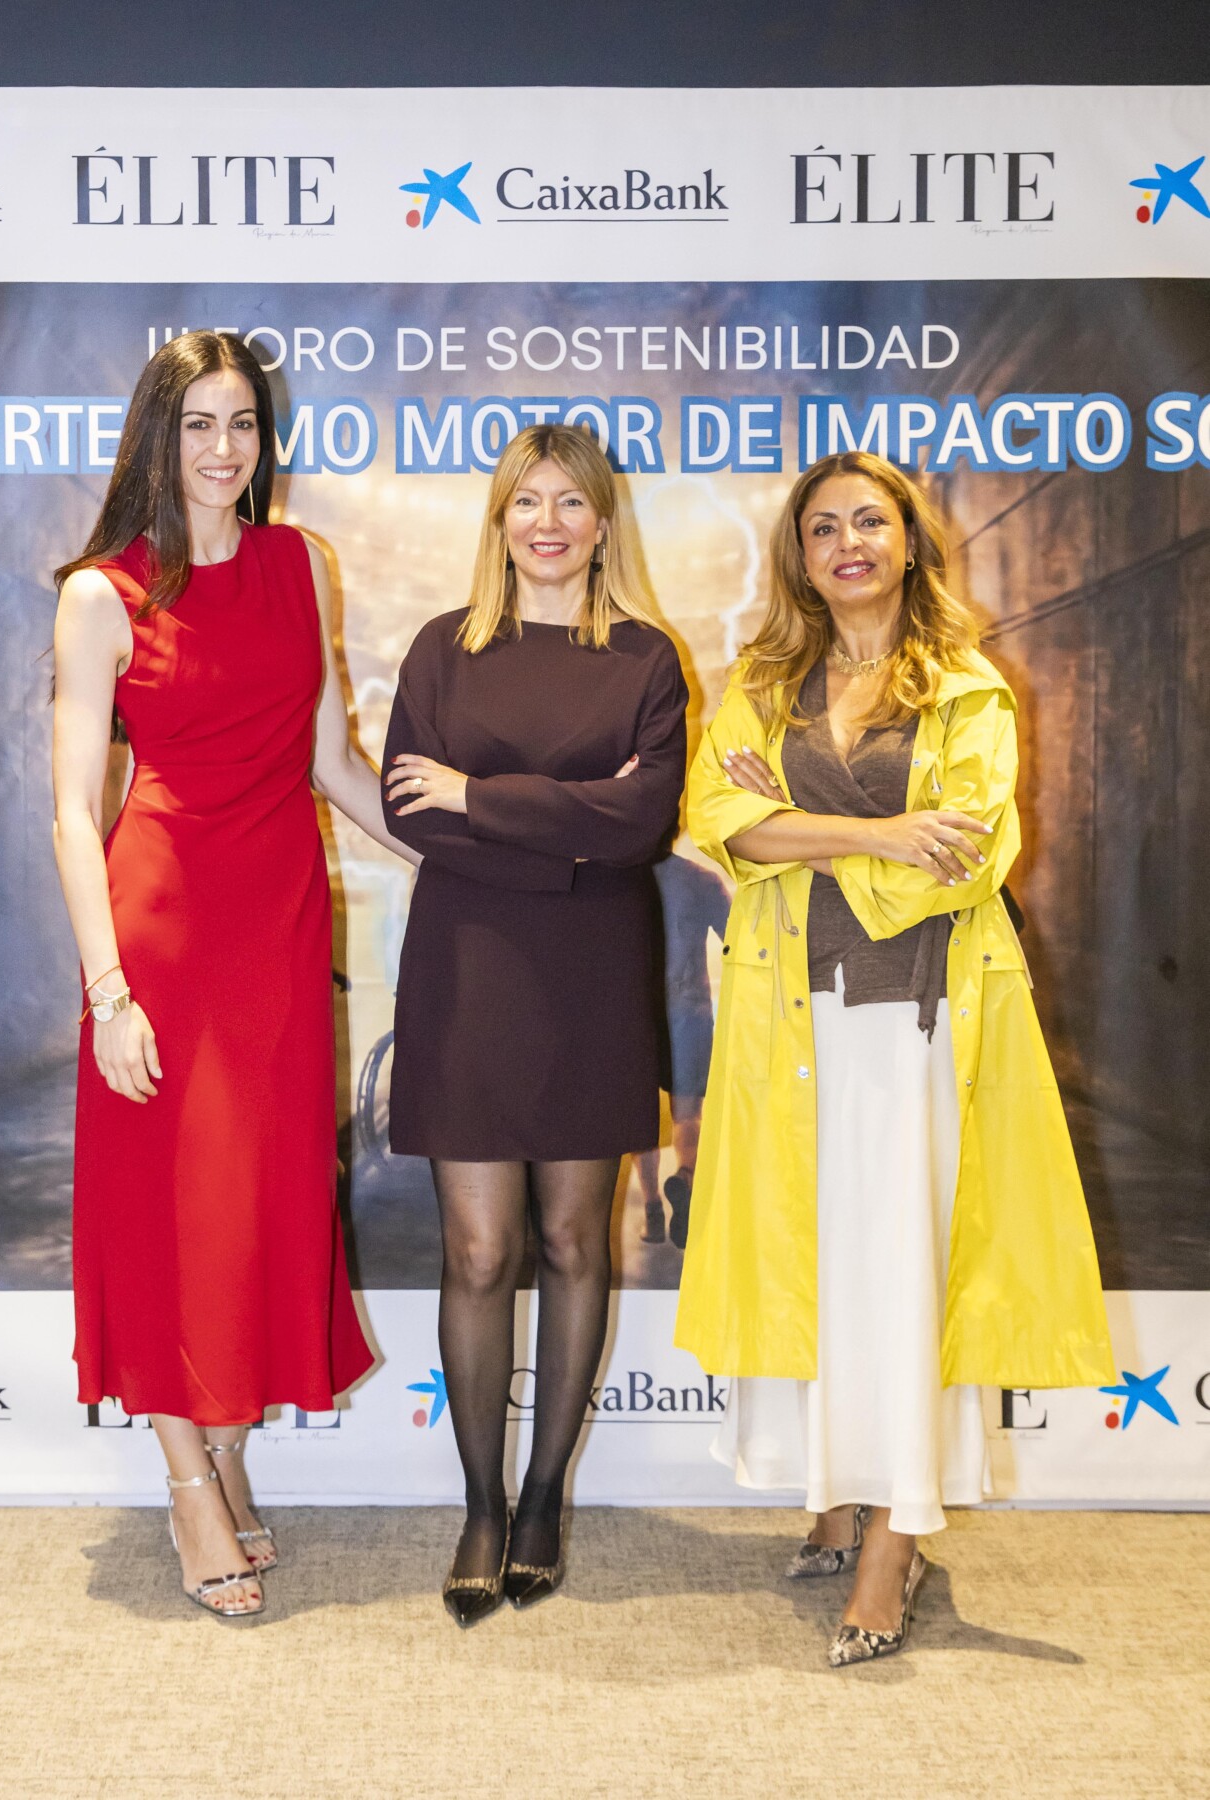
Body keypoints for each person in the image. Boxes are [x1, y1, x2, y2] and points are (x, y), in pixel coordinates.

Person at [674, 451, 1113, 1666]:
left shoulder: (967, 689)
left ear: (910, 542)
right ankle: (837, 1491)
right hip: (793, 1019)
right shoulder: (765, 681)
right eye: (823, 528)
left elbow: (963, 857)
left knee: (903, 1269)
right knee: (823, 1266)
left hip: (918, 1027)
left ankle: (894, 1536)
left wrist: (798, 829)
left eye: (870, 522)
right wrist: (877, 830)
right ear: (799, 556)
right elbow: (719, 821)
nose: (848, 544)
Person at [52, 330, 411, 1618]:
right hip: (159, 930)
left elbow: (332, 762)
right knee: (169, 1205)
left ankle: (227, 1443)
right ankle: (186, 1476)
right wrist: (108, 992)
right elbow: (71, 809)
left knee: (254, 1202)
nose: (223, 448)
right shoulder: (101, 594)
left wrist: (474, 850)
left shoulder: (299, 565)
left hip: (279, 925)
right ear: (159, 435)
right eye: (198, 423)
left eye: (243, 423)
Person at [382, 423, 687, 1625]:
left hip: (591, 981)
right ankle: (480, 1503)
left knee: (572, 1241)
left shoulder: (646, 660)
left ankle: (546, 1495)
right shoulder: (443, 649)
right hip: (466, 972)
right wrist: (569, 831)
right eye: (526, 501)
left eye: (570, 502)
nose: (547, 523)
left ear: (604, 523)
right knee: (476, 1251)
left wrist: (482, 796)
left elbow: (645, 823)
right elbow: (416, 817)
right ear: (498, 520)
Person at [633, 851, 731, 1249]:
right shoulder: (702, 879)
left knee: (639, 1118)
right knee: (688, 1114)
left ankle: (653, 1211)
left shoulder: (622, 876)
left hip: (635, 1015)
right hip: (689, 1010)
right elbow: (737, 942)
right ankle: (686, 1178)